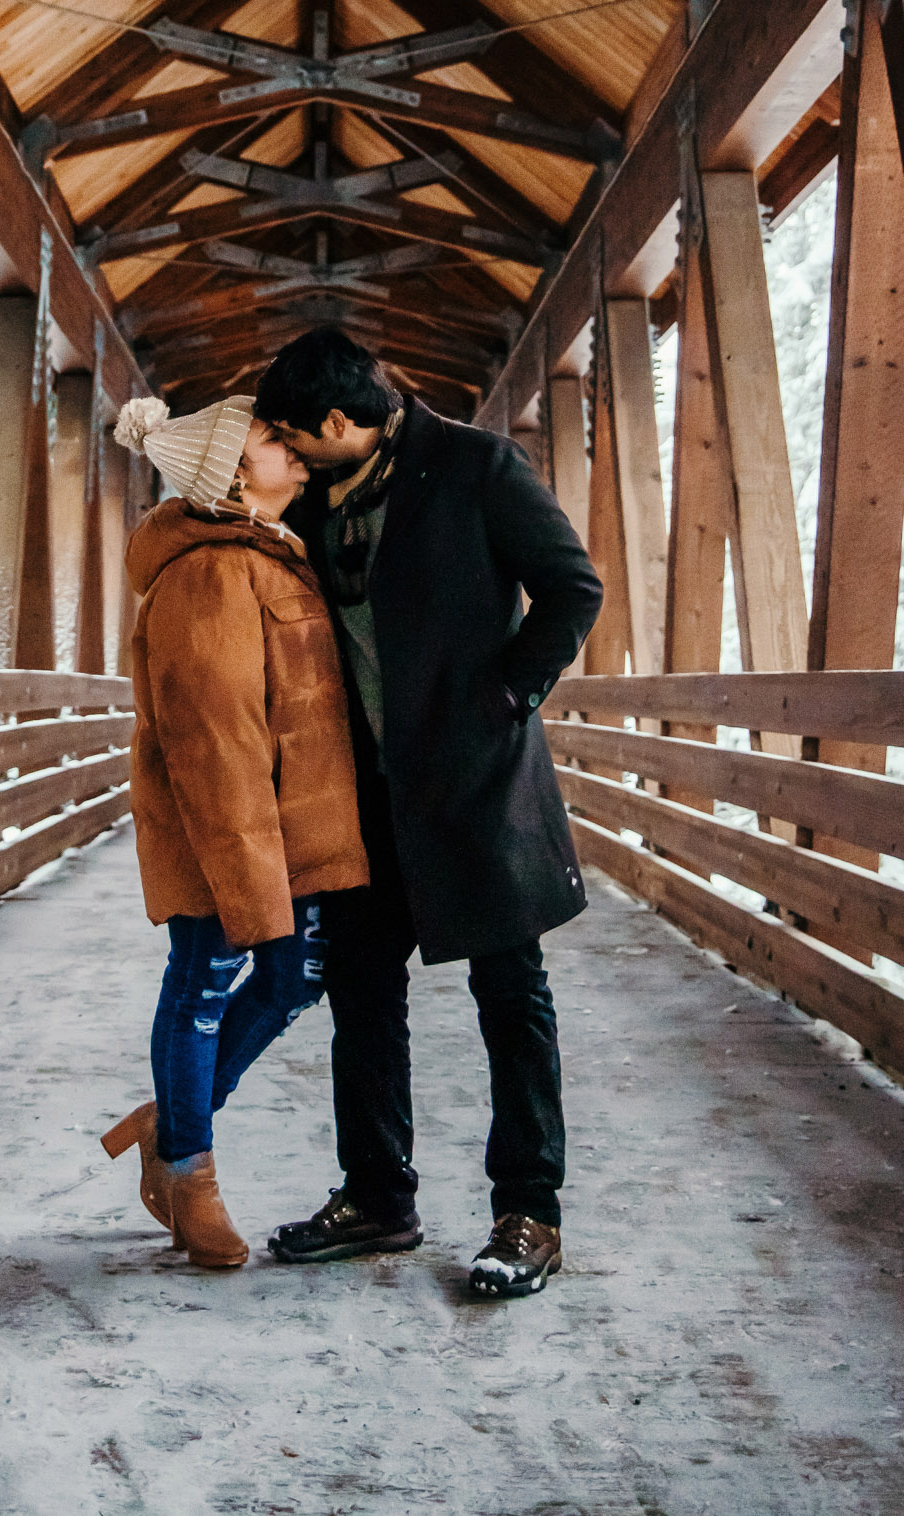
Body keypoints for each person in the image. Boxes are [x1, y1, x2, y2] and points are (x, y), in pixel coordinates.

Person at [251, 328, 603, 1299]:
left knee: (509, 992)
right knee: (361, 993)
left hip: (474, 787)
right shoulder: (316, 495)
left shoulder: (478, 466)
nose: (284, 449)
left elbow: (573, 590)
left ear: (338, 421)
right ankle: (377, 1195)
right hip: (365, 794)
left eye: (293, 432)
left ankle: (528, 1211)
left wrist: (501, 700)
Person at [100, 392, 369, 1271]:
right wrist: (245, 870)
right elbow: (218, 739)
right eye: (265, 438)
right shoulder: (211, 572)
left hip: (284, 834)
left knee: (293, 979)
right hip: (228, 835)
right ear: (227, 473)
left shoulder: (273, 557)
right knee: (202, 987)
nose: (287, 445)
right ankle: (188, 1171)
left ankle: (172, 1124)